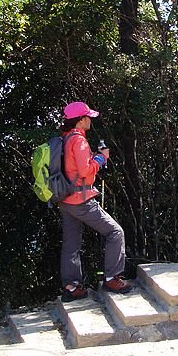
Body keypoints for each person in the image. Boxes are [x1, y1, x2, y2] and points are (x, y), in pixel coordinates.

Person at [57, 101, 133, 301]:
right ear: (81, 120)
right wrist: (101, 159)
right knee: (115, 232)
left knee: (71, 244)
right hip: (80, 199)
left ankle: (71, 288)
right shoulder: (79, 140)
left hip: (65, 198)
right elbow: (85, 171)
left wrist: (96, 157)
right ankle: (111, 278)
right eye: (88, 117)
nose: (90, 120)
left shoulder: (65, 138)